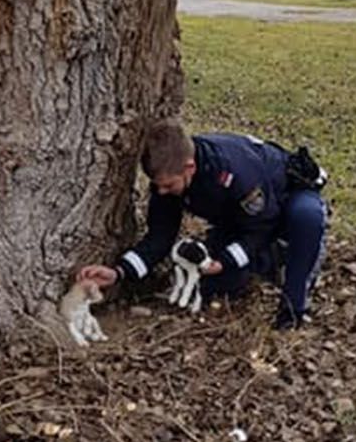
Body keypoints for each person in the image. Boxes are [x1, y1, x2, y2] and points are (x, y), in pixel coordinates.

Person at [77, 122, 329, 330]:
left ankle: (293, 307)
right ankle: (271, 259)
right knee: (214, 285)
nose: (162, 192)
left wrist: (226, 260)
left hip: (286, 202)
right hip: (240, 221)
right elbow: (160, 237)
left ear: (190, 167)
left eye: (168, 185)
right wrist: (119, 272)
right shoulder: (169, 178)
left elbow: (262, 226)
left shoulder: (234, 173)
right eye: (158, 186)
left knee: (306, 218)